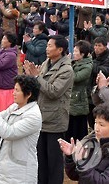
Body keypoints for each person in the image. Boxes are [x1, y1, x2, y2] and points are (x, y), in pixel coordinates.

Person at [23, 34, 74, 184]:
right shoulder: (47, 62)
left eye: (50, 46)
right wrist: (31, 77)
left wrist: (37, 77)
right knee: (40, 159)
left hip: (55, 120)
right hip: (41, 117)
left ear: (60, 49)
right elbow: (40, 85)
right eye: (47, 46)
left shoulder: (66, 70)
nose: (47, 48)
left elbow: (53, 91)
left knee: (54, 162)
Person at [0, 75, 42, 184]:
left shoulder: (33, 116)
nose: (13, 93)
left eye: (17, 90)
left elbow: (8, 133)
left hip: (21, 173)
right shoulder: (15, 107)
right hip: (5, 168)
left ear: (28, 94)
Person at [60, 104, 109, 184]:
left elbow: (106, 181)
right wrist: (72, 156)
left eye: (101, 125)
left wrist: (83, 164)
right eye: (95, 122)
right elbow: (75, 175)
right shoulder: (91, 143)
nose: (96, 128)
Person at [67, 40, 93, 142]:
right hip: (71, 98)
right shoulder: (75, 63)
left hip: (79, 101)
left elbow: (75, 78)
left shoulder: (87, 66)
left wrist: (67, 65)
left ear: (83, 54)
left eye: (76, 51)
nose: (74, 53)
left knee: (79, 129)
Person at [88, 37, 109, 128]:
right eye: (95, 45)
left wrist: (89, 64)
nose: (96, 48)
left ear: (105, 47)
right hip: (90, 92)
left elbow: (103, 71)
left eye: (99, 45)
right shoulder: (91, 57)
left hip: (102, 94)